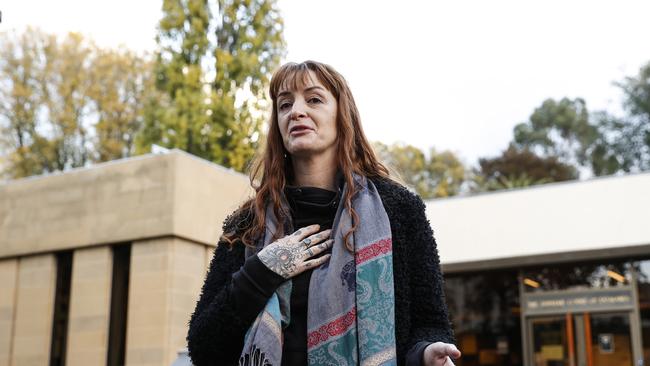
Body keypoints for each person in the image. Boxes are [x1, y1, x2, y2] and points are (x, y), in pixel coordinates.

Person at [187, 60, 461, 366]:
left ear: (343, 115)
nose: (296, 111)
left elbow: (429, 322)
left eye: (314, 99)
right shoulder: (249, 224)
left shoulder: (398, 210)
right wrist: (261, 272)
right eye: (285, 104)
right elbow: (202, 347)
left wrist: (426, 354)